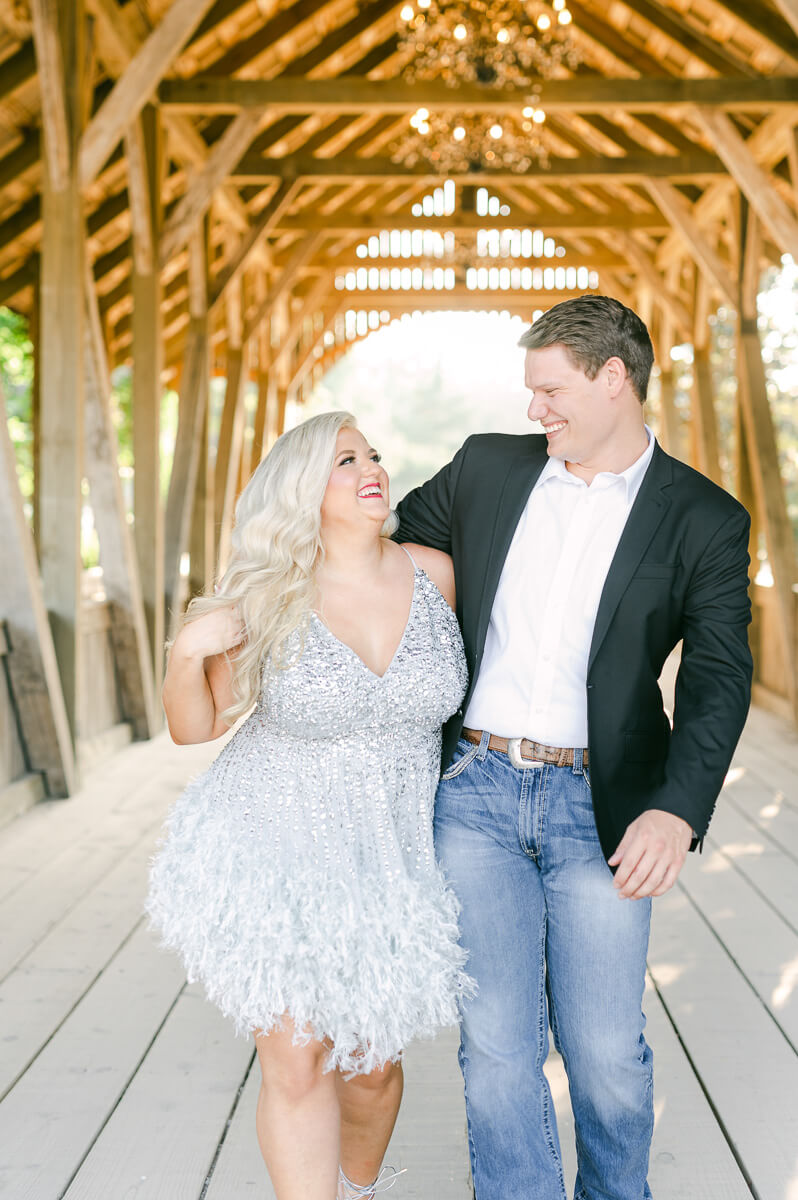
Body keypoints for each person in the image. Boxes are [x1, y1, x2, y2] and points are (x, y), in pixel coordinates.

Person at [395, 295, 753, 1200]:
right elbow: (382, 546)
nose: (534, 411)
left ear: (612, 380)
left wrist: (677, 809)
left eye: (550, 390)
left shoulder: (705, 519)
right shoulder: (487, 468)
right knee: (497, 1051)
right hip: (472, 789)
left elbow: (718, 675)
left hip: (606, 805)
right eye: (529, 392)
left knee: (604, 1054)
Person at [147, 411, 473, 1200]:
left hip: (391, 859)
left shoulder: (434, 573)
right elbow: (195, 728)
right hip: (270, 848)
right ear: (301, 490)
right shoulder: (269, 593)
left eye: (373, 455)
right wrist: (189, 650)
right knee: (296, 1060)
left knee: (372, 1069)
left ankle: (355, 1191)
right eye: (343, 461)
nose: (371, 469)